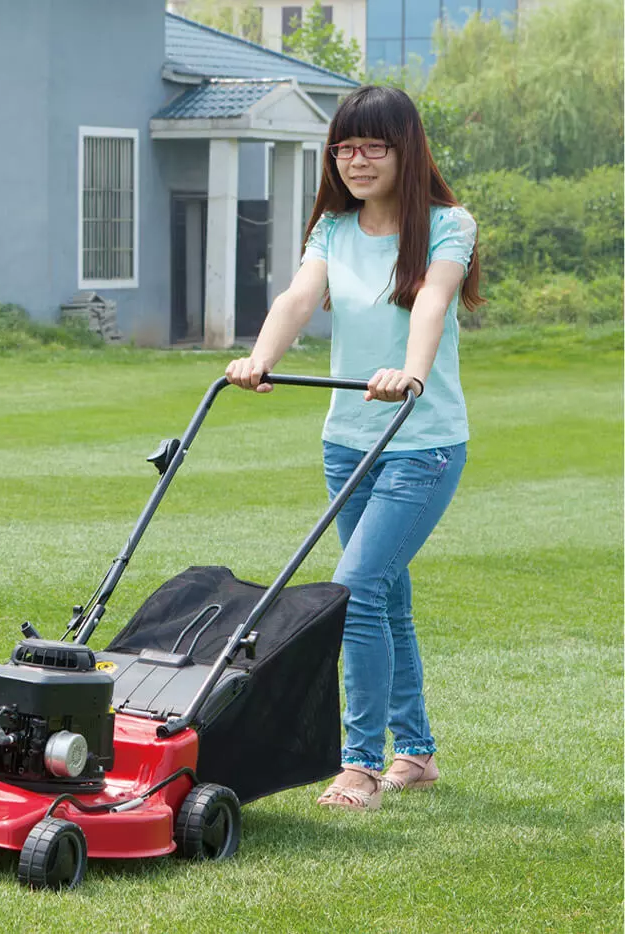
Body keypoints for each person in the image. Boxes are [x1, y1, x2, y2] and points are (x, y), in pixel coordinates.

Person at [224, 85, 482, 812]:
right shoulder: (334, 230)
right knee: (387, 597)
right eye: (344, 147)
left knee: (358, 588)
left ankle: (360, 764)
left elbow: (432, 300)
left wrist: (413, 373)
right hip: (347, 442)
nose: (356, 160)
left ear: (406, 149)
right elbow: (299, 299)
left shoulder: (446, 225)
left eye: (373, 146)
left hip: (421, 443)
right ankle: (418, 753)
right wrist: (259, 357)